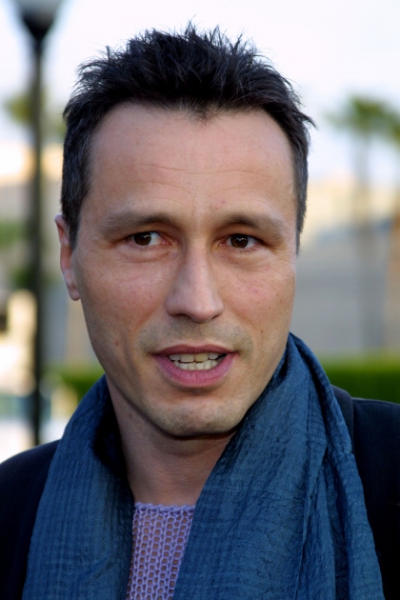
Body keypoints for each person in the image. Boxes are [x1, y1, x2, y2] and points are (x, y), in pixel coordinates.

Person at [1, 24, 399, 600]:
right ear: (69, 256)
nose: (197, 300)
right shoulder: (11, 513)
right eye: (145, 239)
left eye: (241, 240)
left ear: (294, 251)